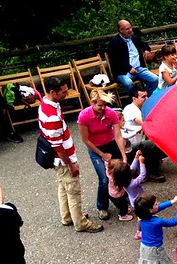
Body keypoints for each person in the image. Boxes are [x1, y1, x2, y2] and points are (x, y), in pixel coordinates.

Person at [39, 77, 103, 233]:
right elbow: (57, 146)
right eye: (63, 92)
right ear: (53, 92)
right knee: (73, 190)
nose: (66, 94)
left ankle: (67, 216)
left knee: (63, 187)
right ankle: (80, 223)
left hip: (57, 161)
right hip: (63, 159)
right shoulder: (52, 116)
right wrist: (70, 163)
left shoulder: (46, 105)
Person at [77, 91, 126, 221]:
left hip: (111, 144)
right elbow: (85, 140)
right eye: (100, 106)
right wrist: (102, 154)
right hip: (95, 148)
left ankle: (122, 199)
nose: (103, 108)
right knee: (104, 178)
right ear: (92, 103)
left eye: (105, 105)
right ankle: (102, 206)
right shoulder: (84, 116)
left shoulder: (110, 113)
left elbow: (118, 136)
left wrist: (124, 156)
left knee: (120, 172)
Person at [121, 87, 166, 181]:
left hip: (139, 144)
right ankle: (150, 173)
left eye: (147, 96)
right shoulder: (130, 109)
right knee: (152, 145)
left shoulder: (143, 108)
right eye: (143, 97)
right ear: (134, 99)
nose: (146, 98)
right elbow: (145, 123)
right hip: (131, 150)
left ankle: (152, 161)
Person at [106, 19, 157, 95]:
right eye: (127, 29)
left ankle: (144, 96)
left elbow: (144, 44)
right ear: (121, 30)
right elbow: (116, 62)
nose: (130, 30)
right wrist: (129, 68)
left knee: (155, 79)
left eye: (130, 28)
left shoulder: (134, 37)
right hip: (123, 72)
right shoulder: (114, 43)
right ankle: (135, 100)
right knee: (128, 83)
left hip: (139, 69)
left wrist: (146, 50)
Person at [105, 157, 138, 221]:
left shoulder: (109, 172)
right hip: (117, 196)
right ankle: (122, 215)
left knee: (122, 203)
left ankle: (123, 210)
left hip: (112, 194)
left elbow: (107, 165)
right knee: (123, 206)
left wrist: (107, 161)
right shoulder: (116, 180)